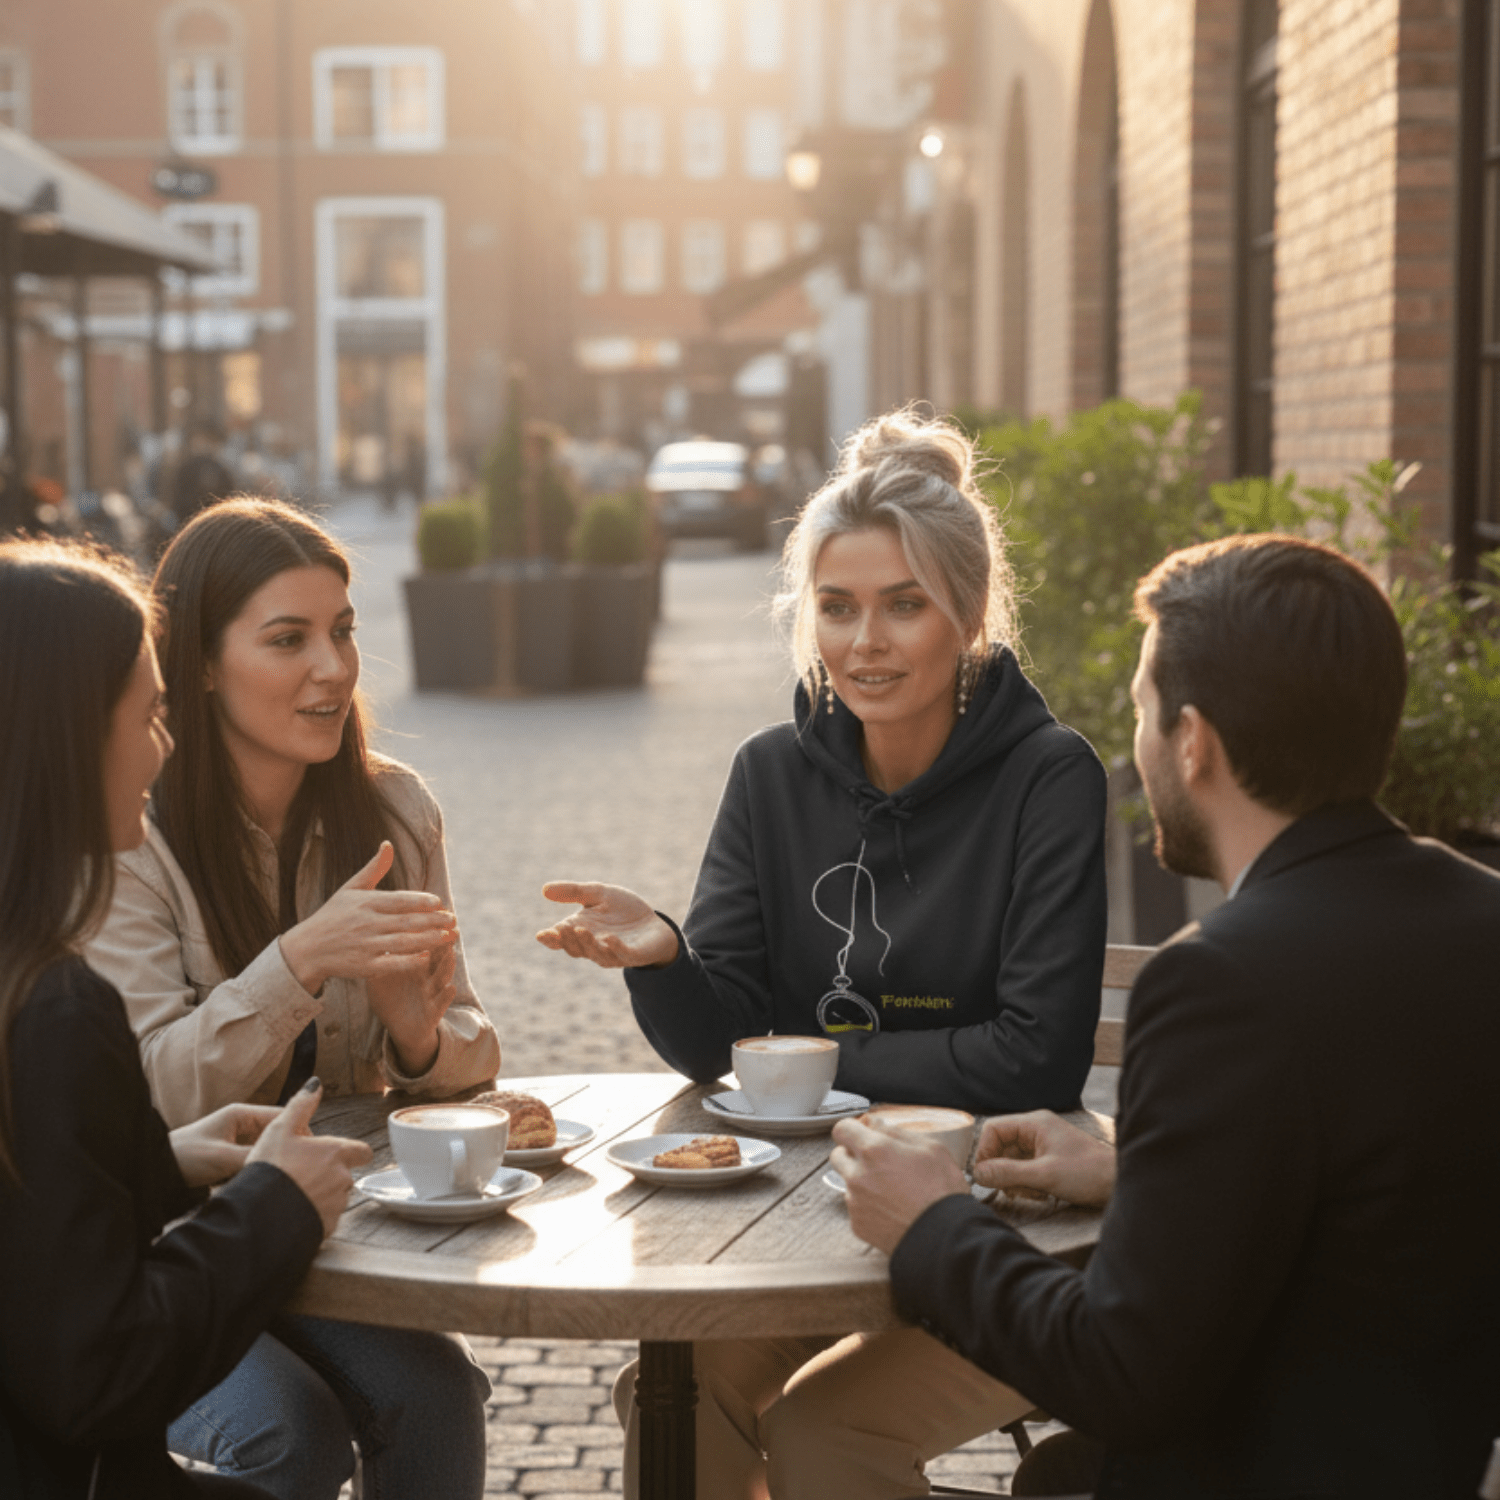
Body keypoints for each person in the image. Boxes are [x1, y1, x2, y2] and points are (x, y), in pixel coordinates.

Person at [834, 533, 1500, 1500]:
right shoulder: (1482, 919)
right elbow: (1378, 1192)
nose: (1136, 752)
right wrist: (1133, 1172)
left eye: (1145, 716)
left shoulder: (1221, 983)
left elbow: (1119, 1374)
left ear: (1194, 744)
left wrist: (931, 1222)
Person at [538, 410, 1108, 1499]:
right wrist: (662, 958)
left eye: (905, 606)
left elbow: (1034, 1059)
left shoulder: (1050, 778)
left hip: (993, 1218)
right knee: (673, 1397)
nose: (865, 643)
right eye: (838, 608)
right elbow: (720, 1046)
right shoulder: (769, 774)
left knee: (820, 1434)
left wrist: (799, 1071)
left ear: (969, 614)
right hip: (798, 1214)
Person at [85, 498, 501, 1499]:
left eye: (344, 631)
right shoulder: (129, 834)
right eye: (289, 639)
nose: (334, 667)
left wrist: (417, 1041)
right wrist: (296, 964)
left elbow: (476, 1051)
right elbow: (144, 1100)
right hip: (164, 1248)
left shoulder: (393, 806)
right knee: (289, 1431)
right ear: (200, 662)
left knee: (438, 1396)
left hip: (331, 1236)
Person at [0, 537, 373, 1499]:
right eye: (148, 714)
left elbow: (35, 1230)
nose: (162, 747)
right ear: (66, 735)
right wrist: (275, 1203)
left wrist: (165, 1164)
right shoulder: (49, 1003)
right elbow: (95, 1372)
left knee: (430, 1386)